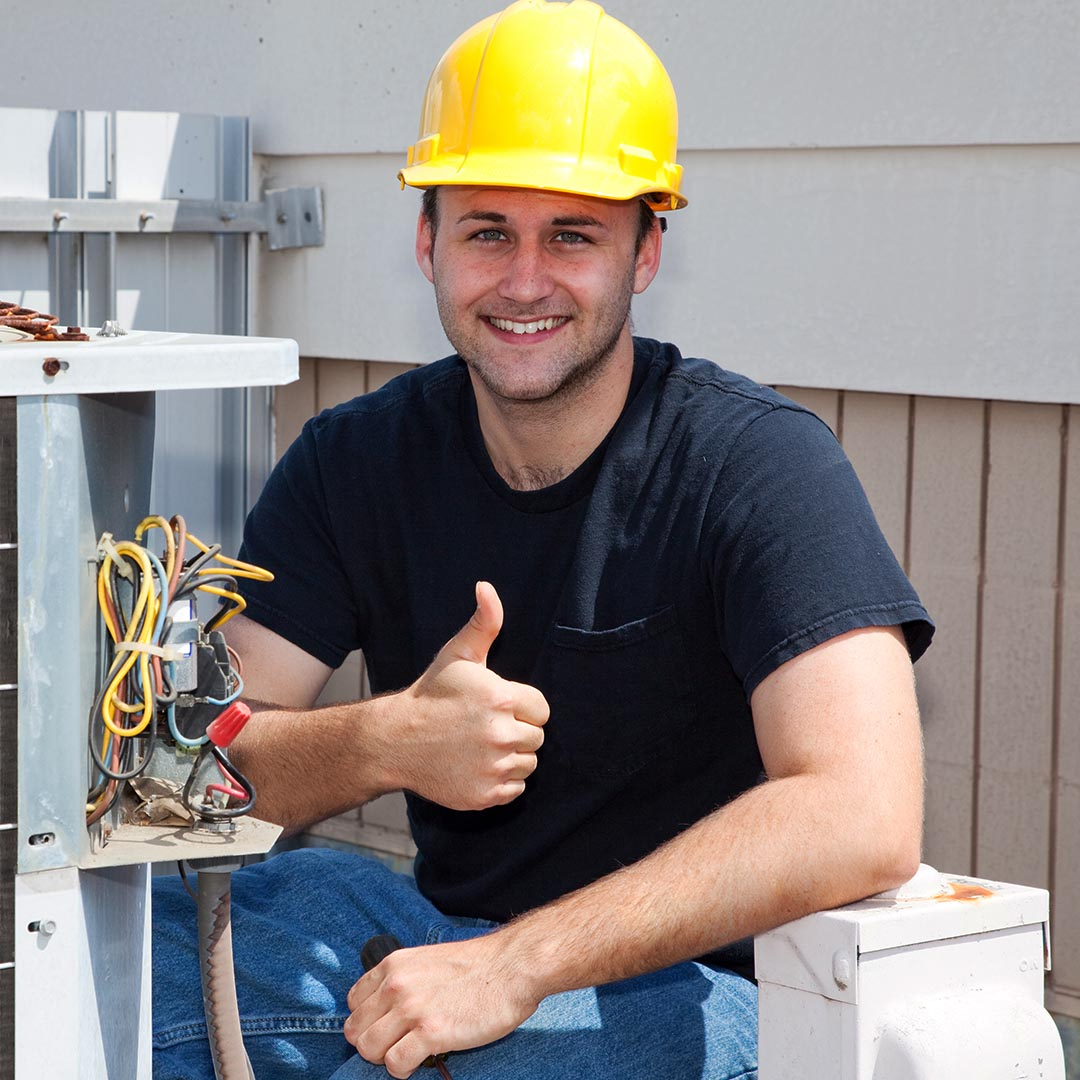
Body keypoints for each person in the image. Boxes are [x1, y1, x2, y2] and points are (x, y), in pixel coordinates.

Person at [151, 2, 933, 1078]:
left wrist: (516, 966)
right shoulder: (354, 460)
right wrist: (385, 742)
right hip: (436, 938)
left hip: (697, 986)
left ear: (645, 251)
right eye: (487, 231)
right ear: (427, 243)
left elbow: (864, 809)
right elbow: (200, 763)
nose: (525, 281)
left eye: (572, 234)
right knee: (115, 964)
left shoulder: (757, 465)